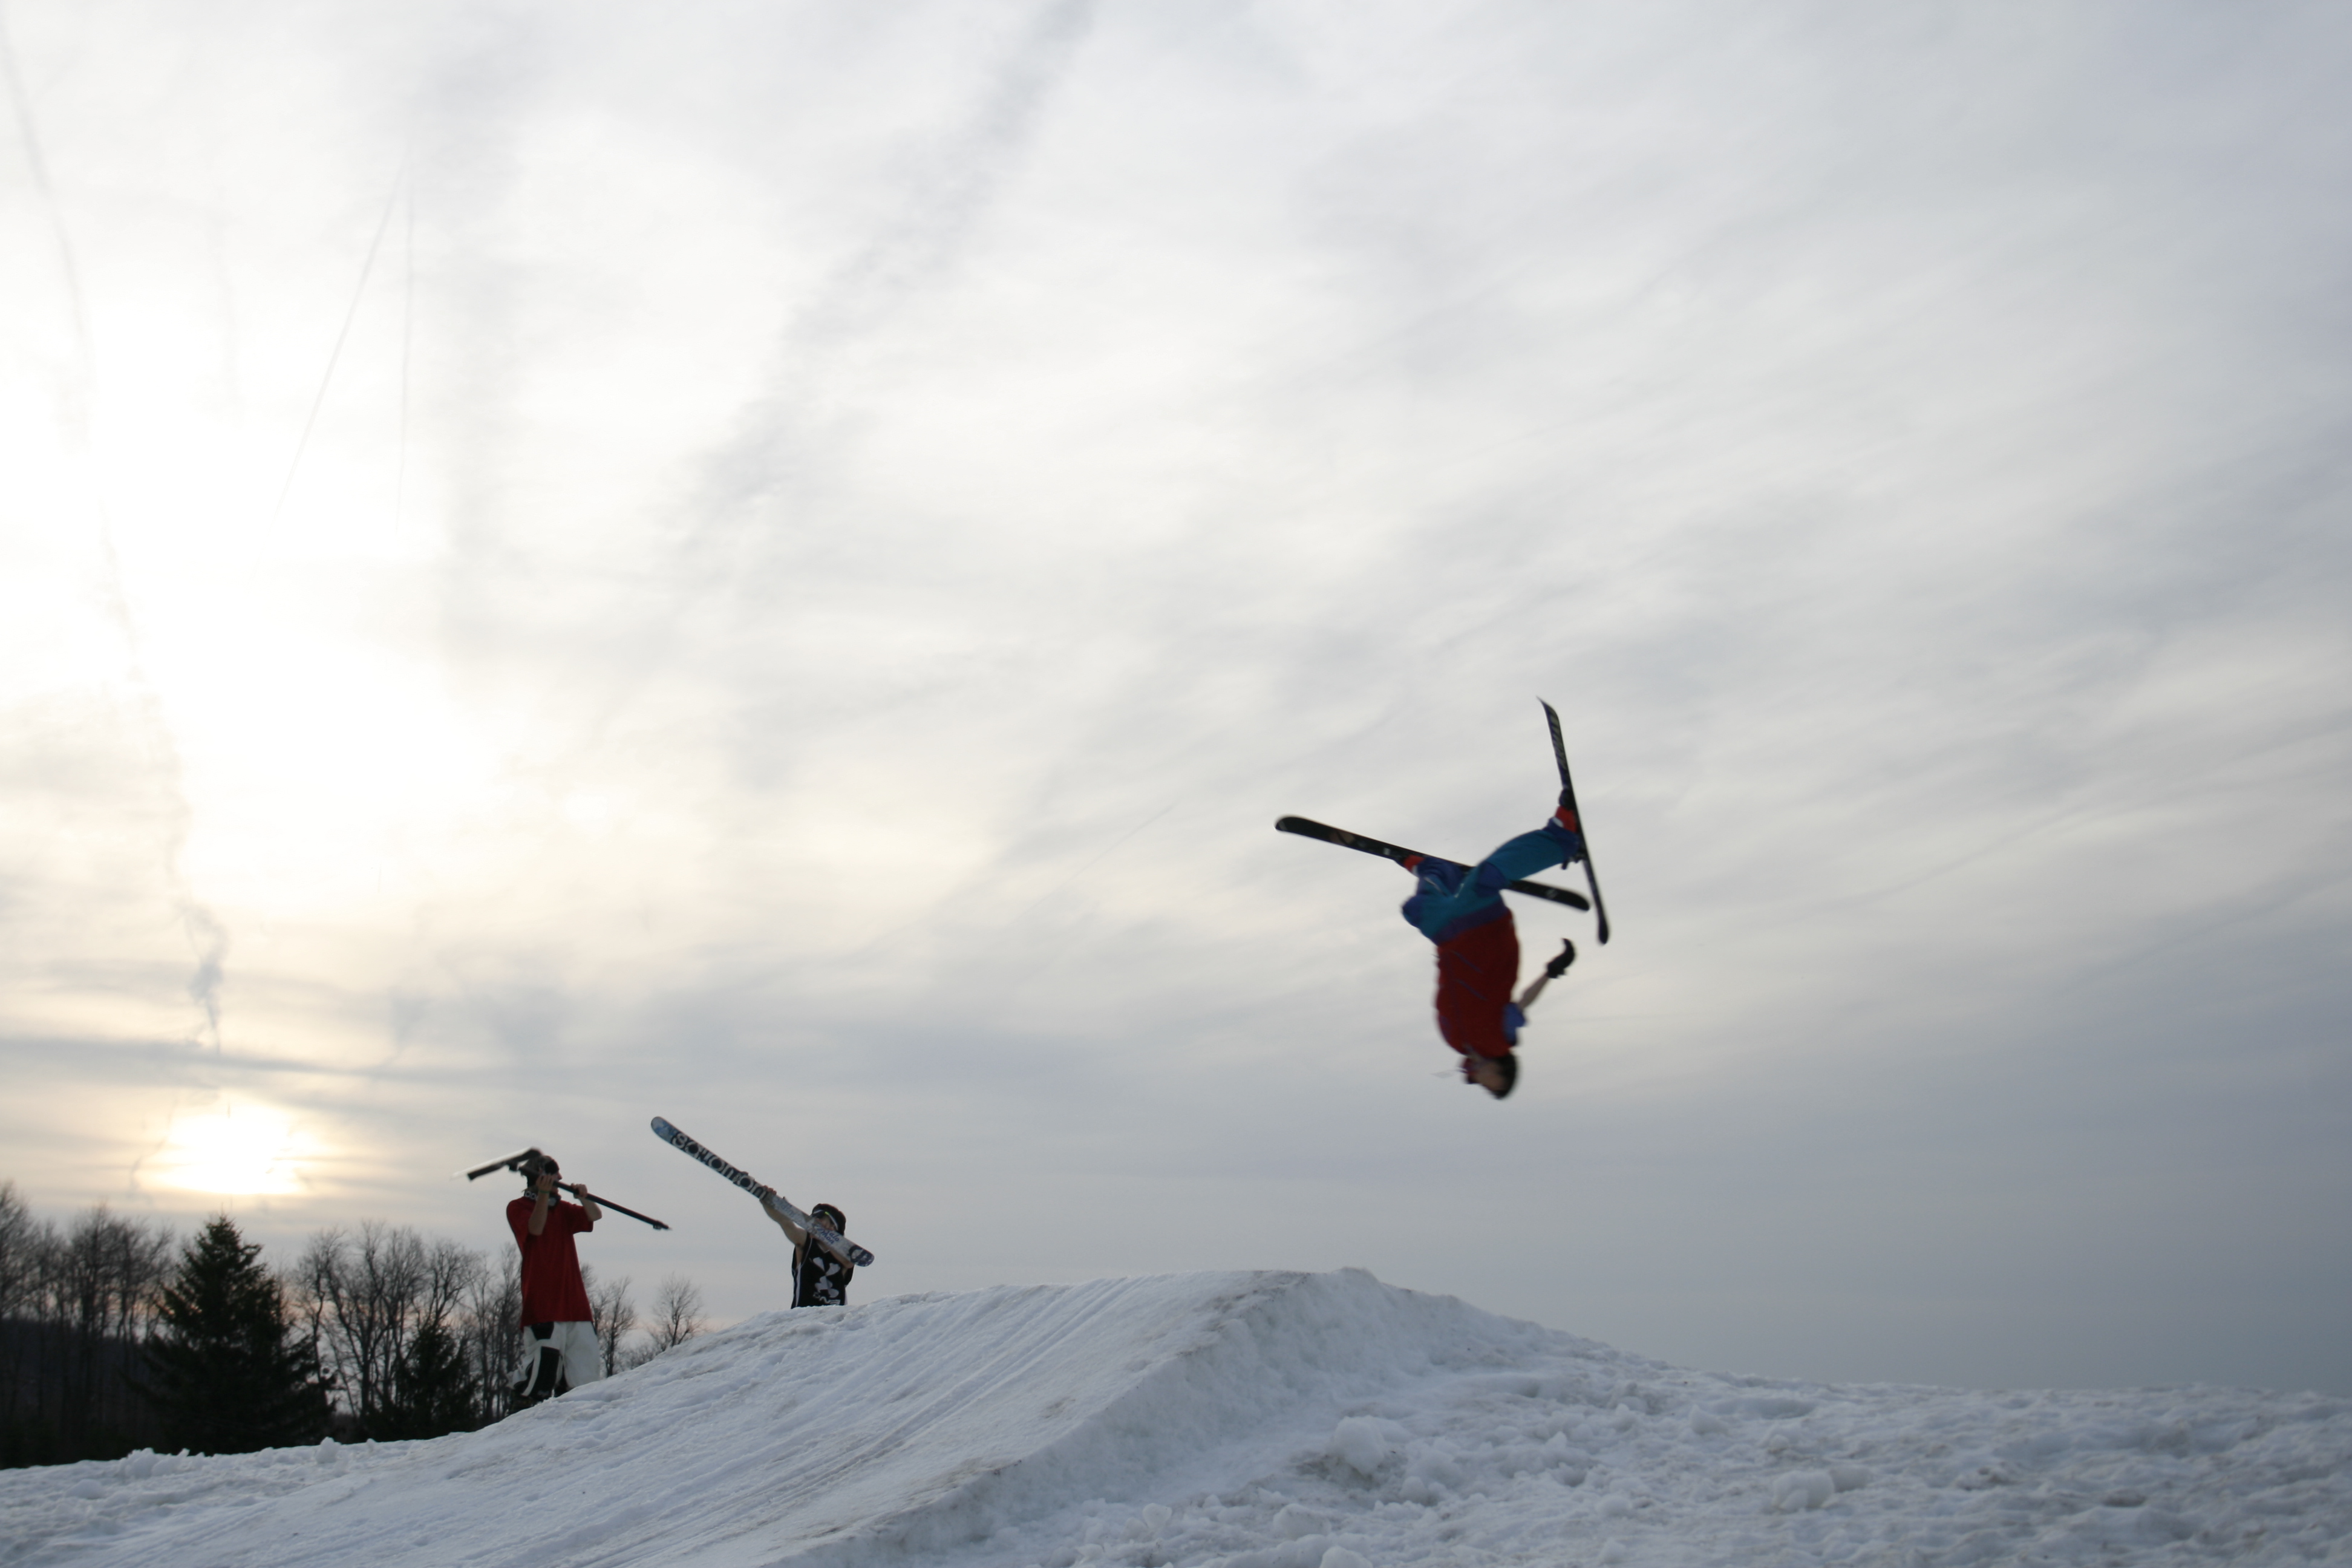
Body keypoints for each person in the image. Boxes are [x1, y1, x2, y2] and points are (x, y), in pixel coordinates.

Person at [1399, 799, 1586, 1099]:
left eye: (1484, 1084)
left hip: (1447, 937)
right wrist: (1552, 972)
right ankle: (1561, 838)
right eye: (1490, 1082)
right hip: (1484, 933)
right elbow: (1524, 1002)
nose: (1482, 1080)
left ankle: (1435, 871)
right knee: (1486, 879)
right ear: (1500, 1068)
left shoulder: (1455, 1041)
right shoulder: (1500, 1040)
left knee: (1415, 910)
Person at [505, 1154, 604, 1403]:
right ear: (538, 1178)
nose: (560, 1179)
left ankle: (574, 1425)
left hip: (576, 1305)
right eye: (553, 1174)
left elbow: (594, 1216)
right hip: (543, 1306)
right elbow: (535, 1229)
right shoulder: (518, 1207)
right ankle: (520, 1406)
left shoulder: (562, 1209)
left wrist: (584, 1198)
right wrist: (543, 1198)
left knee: (586, 1379)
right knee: (542, 1374)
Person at [752, 1187, 855, 1307]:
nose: (816, 1222)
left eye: (821, 1218)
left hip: (832, 1322)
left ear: (834, 1226)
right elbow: (785, 1222)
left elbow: (849, 1262)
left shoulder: (844, 1256)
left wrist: (827, 1238)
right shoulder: (807, 1244)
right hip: (803, 1317)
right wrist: (768, 1202)